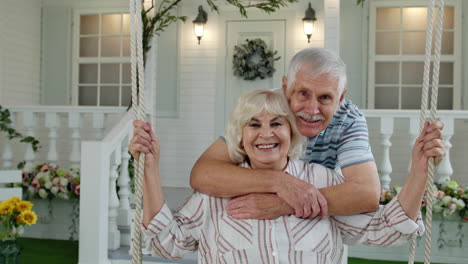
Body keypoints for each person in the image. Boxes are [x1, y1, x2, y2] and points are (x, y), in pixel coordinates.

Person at [129, 90, 444, 263]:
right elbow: (167, 244)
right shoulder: (214, 193)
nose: (265, 133)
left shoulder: (323, 181)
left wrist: (418, 170)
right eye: (253, 124)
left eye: (276, 123)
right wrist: (150, 169)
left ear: (292, 133)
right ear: (238, 137)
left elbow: (384, 230)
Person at [189, 48, 444, 219]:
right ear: (286, 87)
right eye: (303, 94)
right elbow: (203, 173)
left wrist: (285, 203)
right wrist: (280, 183)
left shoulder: (349, 119)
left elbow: (367, 194)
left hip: (315, 228)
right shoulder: (265, 108)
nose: (312, 110)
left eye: (325, 98)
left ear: (341, 97)